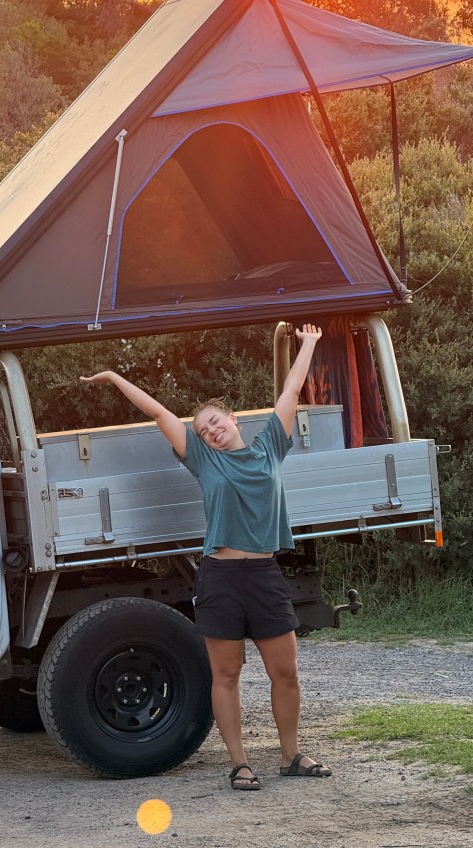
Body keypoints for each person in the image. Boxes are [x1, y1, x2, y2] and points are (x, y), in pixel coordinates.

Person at [80, 324, 332, 791]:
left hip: (264, 575)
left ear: (233, 419)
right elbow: (158, 411)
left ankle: (291, 755)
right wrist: (114, 377)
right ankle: (239, 763)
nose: (211, 431)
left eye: (216, 422)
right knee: (227, 674)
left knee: (285, 673)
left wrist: (310, 344)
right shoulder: (201, 458)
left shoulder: (269, 448)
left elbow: (291, 391)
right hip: (220, 577)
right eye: (203, 430)